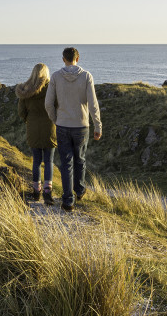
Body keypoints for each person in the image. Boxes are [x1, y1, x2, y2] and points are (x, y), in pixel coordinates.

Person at [45, 47, 102, 212]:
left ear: (63, 59)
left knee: (66, 163)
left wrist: (56, 119)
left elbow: (48, 104)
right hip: (82, 125)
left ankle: (68, 201)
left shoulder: (55, 76)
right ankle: (80, 190)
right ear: (78, 58)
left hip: (63, 125)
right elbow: (93, 104)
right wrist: (97, 125)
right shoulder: (86, 76)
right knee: (80, 159)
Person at [16, 63, 57, 204]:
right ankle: (47, 191)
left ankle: (36, 191)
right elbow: (57, 106)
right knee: (49, 161)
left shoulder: (25, 90)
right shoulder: (51, 88)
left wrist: (29, 119)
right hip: (50, 128)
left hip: (32, 128)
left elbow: (21, 112)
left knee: (36, 161)